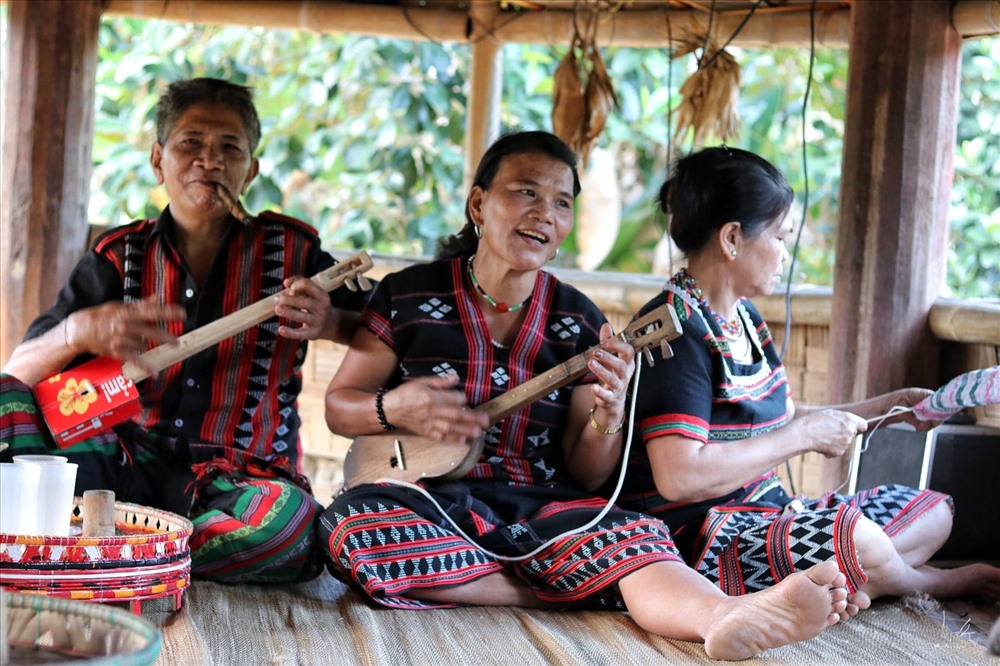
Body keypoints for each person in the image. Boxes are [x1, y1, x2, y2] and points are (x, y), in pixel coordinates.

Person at [317, 130, 853, 661]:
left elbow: (591, 473)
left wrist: (607, 413)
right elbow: (341, 407)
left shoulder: (578, 320)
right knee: (350, 529)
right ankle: (563, 587)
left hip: (543, 505)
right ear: (479, 203)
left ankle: (725, 617)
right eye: (526, 192)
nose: (545, 213)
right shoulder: (407, 294)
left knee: (635, 536)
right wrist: (394, 407)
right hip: (426, 496)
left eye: (562, 202)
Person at [0, 77, 369, 584]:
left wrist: (329, 321)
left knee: (288, 526)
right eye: (190, 143)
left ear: (251, 170)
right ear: (159, 160)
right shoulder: (117, 256)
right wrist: (79, 332)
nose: (209, 161)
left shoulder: (296, 255)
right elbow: (17, 372)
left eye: (229, 148)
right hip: (120, 463)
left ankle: (114, 543)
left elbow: (380, 330)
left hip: (241, 479)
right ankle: (151, 544)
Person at [619, 146, 1000, 608]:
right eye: (779, 237)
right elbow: (680, 478)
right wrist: (800, 437)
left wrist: (887, 407)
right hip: (707, 542)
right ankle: (923, 583)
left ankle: (854, 580)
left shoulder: (745, 319)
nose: (784, 255)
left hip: (775, 515)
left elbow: (785, 417)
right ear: (732, 238)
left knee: (933, 512)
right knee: (860, 538)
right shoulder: (675, 332)